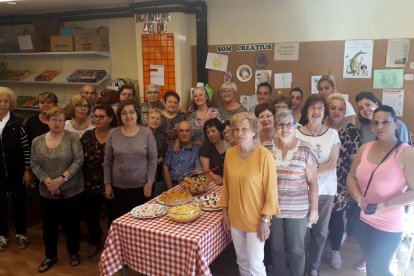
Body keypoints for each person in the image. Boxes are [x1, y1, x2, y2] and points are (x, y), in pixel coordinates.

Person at [347, 105, 414, 276]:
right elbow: (352, 177)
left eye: (385, 122)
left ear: (396, 124)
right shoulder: (365, 148)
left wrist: (385, 205)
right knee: (371, 265)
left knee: (379, 269)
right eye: (375, 123)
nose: (379, 127)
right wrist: (357, 196)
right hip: (363, 219)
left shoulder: (406, 153)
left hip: (388, 224)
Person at [220, 112, 279, 276]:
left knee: (255, 264)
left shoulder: (265, 156)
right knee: (242, 261)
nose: (239, 133)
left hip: (256, 220)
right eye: (236, 129)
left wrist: (265, 220)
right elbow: (226, 186)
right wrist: (224, 212)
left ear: (254, 131)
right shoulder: (230, 154)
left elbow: (271, 192)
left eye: (244, 129)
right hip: (235, 217)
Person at [30, 107, 85, 272]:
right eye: (54, 119)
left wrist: (61, 180)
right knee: (49, 227)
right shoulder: (37, 141)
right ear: (47, 120)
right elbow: (34, 163)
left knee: (72, 224)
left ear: (64, 122)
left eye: (61, 120)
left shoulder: (73, 138)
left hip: (71, 190)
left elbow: (78, 161)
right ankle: (50, 256)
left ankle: (74, 252)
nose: (57, 123)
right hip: (47, 191)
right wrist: (48, 182)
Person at [269, 109, 319, 276]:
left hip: (298, 209)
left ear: (294, 126)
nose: (284, 128)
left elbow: (313, 183)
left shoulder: (305, 148)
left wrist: (314, 209)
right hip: (273, 209)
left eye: (288, 124)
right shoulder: (266, 148)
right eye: (280, 124)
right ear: (275, 126)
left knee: (297, 250)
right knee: (276, 249)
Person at [296, 94, 340, 276]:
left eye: (320, 108)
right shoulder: (296, 133)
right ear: (307, 111)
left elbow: (332, 163)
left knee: (320, 231)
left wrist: (310, 175)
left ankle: (314, 266)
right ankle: (302, 264)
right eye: (312, 108)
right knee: (302, 232)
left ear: (325, 112)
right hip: (299, 191)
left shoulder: (332, 134)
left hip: (325, 191)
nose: (316, 112)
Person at [103, 100, 157, 224]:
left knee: (141, 223)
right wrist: (107, 184)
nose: (128, 116)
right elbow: (108, 161)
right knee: (119, 222)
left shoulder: (146, 133)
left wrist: (150, 182)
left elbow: (153, 159)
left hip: (141, 188)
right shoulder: (113, 134)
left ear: (137, 114)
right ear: (119, 116)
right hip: (118, 189)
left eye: (131, 112)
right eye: (124, 113)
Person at [325, 93, 362, 269]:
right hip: (317, 179)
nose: (336, 111)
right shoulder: (318, 127)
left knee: (336, 217)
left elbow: (354, 161)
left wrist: (351, 182)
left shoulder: (352, 131)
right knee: (314, 218)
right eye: (333, 108)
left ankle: (335, 250)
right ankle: (311, 251)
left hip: (340, 180)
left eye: (341, 109)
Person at [80, 104, 118, 257]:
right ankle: (95, 240)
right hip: (90, 183)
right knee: (90, 216)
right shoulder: (87, 136)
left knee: (113, 216)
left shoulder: (117, 134)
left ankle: (113, 245)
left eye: (101, 117)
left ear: (109, 118)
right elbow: (79, 158)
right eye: (94, 116)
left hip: (114, 183)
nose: (97, 119)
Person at [0, 87, 32, 252]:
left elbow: (26, 148)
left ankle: (21, 234)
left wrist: (27, 170)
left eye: (6, 101)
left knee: (19, 203)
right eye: (0, 101)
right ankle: (3, 235)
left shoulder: (18, 122)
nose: (2, 104)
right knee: (0, 205)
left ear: (10, 103)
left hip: (17, 172)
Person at [153, 120, 202, 196]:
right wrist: (170, 189)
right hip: (170, 184)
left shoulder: (196, 150)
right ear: (178, 133)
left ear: (192, 133)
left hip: (187, 187)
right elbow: (165, 167)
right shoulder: (171, 147)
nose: (184, 133)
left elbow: (198, 171)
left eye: (187, 131)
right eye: (181, 131)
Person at [199, 118, 226, 185]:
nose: (210, 134)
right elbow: (206, 170)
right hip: (215, 182)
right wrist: (215, 178)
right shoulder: (205, 147)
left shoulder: (228, 141)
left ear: (220, 131)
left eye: (213, 131)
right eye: (208, 132)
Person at [147, 108, 166, 183]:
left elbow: (161, 154)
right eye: (152, 118)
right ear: (147, 120)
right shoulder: (139, 133)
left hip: (154, 173)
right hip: (139, 172)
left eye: (157, 119)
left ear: (160, 122)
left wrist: (160, 159)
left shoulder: (161, 137)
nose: (155, 120)